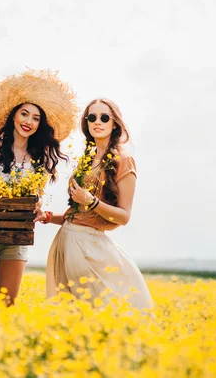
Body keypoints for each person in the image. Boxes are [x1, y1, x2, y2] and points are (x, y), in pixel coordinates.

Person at [0, 70, 77, 309]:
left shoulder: (41, 160)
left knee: (6, 307)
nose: (28, 122)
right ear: (13, 116)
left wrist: (39, 211)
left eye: (36, 118)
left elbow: (34, 201)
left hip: (16, 236)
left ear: (41, 125)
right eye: (24, 114)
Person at [43, 98, 153, 309]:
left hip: (90, 247)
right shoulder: (88, 158)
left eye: (104, 117)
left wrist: (91, 202)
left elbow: (123, 217)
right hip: (67, 243)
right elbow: (78, 214)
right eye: (92, 117)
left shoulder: (124, 160)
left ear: (115, 124)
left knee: (106, 313)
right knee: (75, 317)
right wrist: (48, 217)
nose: (97, 122)